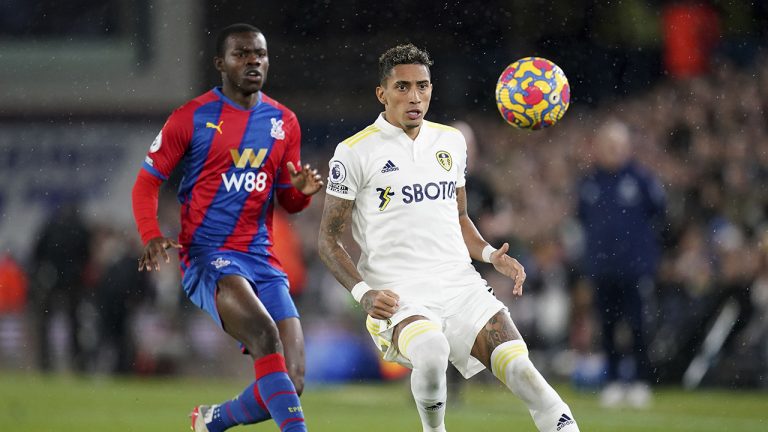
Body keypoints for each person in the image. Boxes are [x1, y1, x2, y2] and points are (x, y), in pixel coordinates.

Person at [318, 43, 580, 432]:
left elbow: (458, 216)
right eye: (402, 87)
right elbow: (327, 240)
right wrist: (363, 294)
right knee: (432, 349)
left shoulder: (450, 143)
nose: (414, 97)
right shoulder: (354, 152)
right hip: (399, 293)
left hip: (459, 285)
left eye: (422, 86)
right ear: (382, 93)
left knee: (525, 374)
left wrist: (492, 255)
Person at [131, 23, 322, 432]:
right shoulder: (192, 117)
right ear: (221, 63)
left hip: (261, 259)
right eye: (242, 54)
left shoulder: (284, 122)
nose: (253, 61)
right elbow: (147, 182)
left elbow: (288, 200)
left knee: (294, 379)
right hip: (208, 258)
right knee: (265, 335)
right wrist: (150, 234)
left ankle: (212, 420)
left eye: (260, 54)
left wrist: (302, 193)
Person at [576, 119, 666, 408]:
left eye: (617, 144)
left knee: (638, 325)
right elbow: (583, 220)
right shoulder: (589, 182)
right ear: (599, 148)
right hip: (602, 268)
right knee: (608, 325)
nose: (613, 149)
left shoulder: (641, 179)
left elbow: (660, 215)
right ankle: (613, 380)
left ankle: (640, 381)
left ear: (627, 147)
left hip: (635, 268)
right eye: (608, 144)